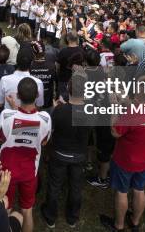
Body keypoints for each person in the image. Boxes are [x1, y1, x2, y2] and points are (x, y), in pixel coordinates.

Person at [100, 75, 145, 232]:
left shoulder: (133, 112)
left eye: (138, 86)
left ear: (143, 91)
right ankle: (135, 222)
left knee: (122, 192)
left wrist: (115, 109)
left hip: (126, 159)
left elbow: (115, 132)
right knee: (139, 189)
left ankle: (118, 226)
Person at [0, 77, 52, 232]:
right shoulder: (45, 119)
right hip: (29, 171)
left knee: (5, 207)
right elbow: (44, 142)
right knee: (27, 210)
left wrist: (14, 112)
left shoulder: (6, 115)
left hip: (6, 171)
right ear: (37, 95)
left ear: (18, 95)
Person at [41, 73, 90, 229]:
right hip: (79, 154)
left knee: (55, 185)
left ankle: (50, 217)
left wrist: (55, 109)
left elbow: (50, 131)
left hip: (59, 153)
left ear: (68, 90)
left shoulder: (59, 111)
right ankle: (72, 218)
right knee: (76, 186)